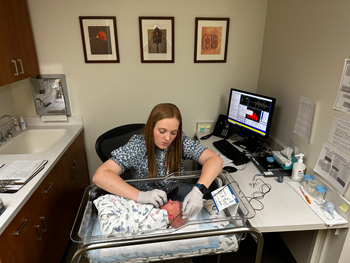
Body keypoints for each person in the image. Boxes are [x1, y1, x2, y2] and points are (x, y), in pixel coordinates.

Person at [93, 103, 223, 219]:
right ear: (151, 128)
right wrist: (141, 196)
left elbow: (214, 160)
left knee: (201, 215)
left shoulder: (180, 141)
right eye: (162, 131)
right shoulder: (138, 146)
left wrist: (198, 191)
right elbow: (101, 176)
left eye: (173, 132)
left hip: (176, 190)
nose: (168, 138)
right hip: (147, 197)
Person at [94, 194, 186, 235]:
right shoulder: (159, 209)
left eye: (172, 203)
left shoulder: (160, 216)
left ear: (169, 216)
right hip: (131, 208)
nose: (170, 200)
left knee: (113, 221)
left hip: (130, 219)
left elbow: (143, 221)